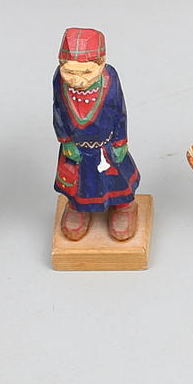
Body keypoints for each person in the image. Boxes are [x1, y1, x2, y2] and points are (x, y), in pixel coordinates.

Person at [53, 29, 140, 242]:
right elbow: (57, 111)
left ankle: (124, 206)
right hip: (76, 145)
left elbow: (119, 112)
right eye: (69, 72)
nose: (77, 80)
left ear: (101, 64)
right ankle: (78, 207)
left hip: (106, 145)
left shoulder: (111, 79)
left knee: (116, 178)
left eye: (86, 72)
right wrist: (65, 140)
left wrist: (120, 141)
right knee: (78, 182)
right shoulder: (59, 81)